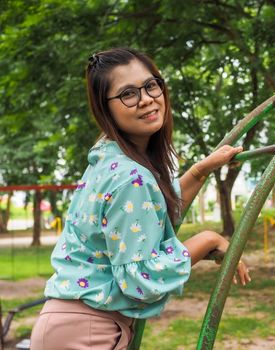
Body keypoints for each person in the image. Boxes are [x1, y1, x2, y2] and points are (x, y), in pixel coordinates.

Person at [30, 48, 251, 350]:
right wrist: (209, 240)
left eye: (151, 85)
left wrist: (200, 171)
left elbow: (147, 217)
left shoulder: (109, 158)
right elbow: (140, 277)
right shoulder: (130, 177)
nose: (146, 98)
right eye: (128, 94)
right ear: (105, 108)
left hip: (71, 325)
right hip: (86, 332)